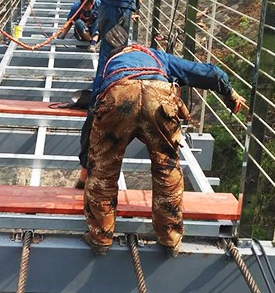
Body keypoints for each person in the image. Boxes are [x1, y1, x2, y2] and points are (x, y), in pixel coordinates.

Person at [79, 44, 246, 257]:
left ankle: (101, 237)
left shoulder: (109, 64)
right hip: (158, 98)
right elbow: (207, 72)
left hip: (119, 94)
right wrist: (229, 92)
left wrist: (87, 160)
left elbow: (92, 112)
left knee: (104, 169)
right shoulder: (158, 57)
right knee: (167, 167)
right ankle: (169, 238)